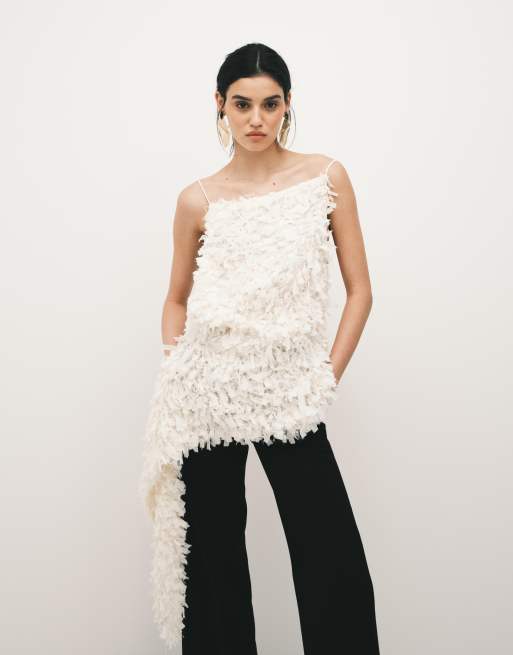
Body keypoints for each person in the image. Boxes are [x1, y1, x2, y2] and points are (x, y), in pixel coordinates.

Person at [140, 42, 380, 654]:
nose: (256, 119)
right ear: (220, 105)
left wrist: (323, 380)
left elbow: (360, 292)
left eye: (270, 104)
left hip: (288, 393)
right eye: (242, 104)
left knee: (329, 552)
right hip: (207, 395)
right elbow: (175, 299)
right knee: (213, 558)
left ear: (287, 105)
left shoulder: (325, 177)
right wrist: (178, 365)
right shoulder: (197, 198)